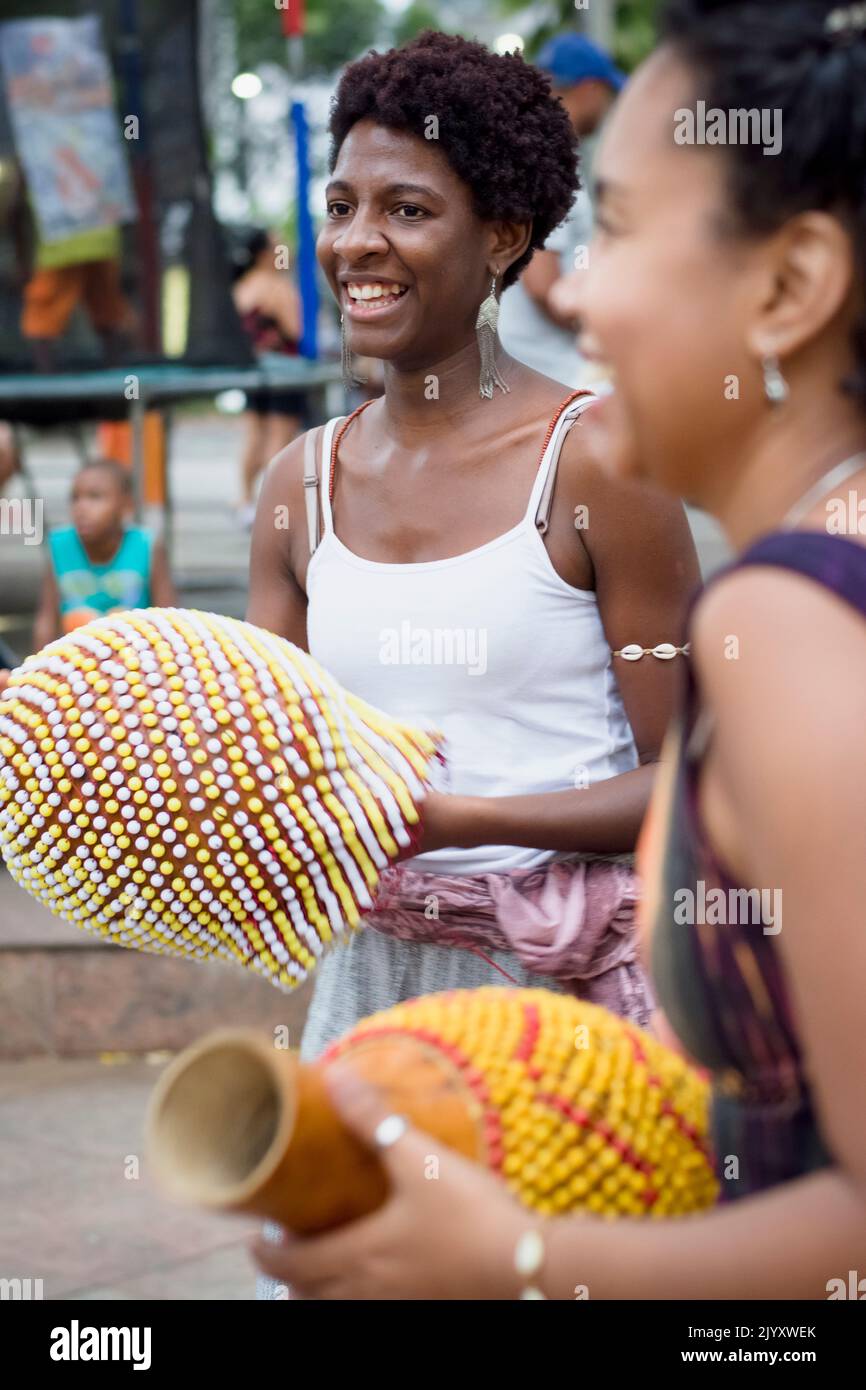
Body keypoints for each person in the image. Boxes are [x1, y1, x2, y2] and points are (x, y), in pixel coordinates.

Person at [252, 0, 866, 1299]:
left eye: (623, 231)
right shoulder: (299, 488)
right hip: (376, 998)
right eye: (341, 203)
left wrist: (526, 1251)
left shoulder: (787, 615)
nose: (575, 291)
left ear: (790, 284)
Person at [497, 33, 625, 387]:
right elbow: (542, 283)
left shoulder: (528, 154)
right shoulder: (549, 163)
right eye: (608, 94)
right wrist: (607, 337)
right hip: (560, 374)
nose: (608, 106)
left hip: (538, 370)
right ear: (589, 88)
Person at [33, 457, 176, 646]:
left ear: (126, 504)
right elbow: (47, 619)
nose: (81, 508)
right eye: (75, 498)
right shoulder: (60, 546)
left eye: (95, 497)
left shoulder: (147, 547)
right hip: (76, 660)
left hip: (135, 658)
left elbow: (168, 620)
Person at [232, 229, 307, 529]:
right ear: (265, 254)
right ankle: (273, 502)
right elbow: (296, 331)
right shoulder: (277, 287)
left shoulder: (243, 286)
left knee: (253, 434)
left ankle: (245, 500)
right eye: (280, 247)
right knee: (279, 436)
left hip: (253, 371)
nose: (285, 251)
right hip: (284, 372)